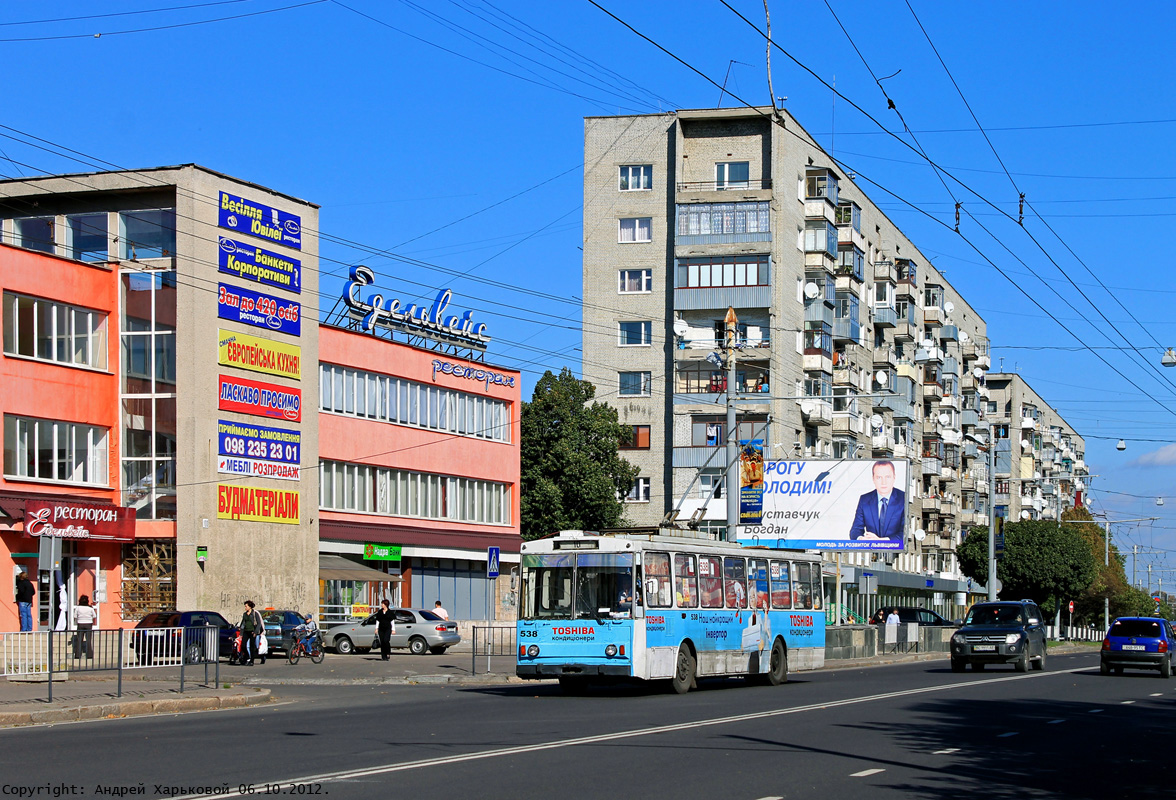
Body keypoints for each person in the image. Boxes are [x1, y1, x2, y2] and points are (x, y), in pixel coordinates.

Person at [849, 461, 906, 542]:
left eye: (888, 477)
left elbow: (905, 533)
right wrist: (862, 539)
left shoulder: (904, 498)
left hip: (896, 552)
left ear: (894, 477)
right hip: (872, 551)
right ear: (873, 479)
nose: (883, 482)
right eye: (879, 477)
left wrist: (881, 541)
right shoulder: (865, 500)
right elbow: (855, 530)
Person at [239, 600, 264, 666]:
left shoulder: (255, 614)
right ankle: (247, 655)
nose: (245, 607)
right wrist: (241, 632)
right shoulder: (245, 614)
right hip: (246, 631)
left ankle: (252, 661)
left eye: (246, 606)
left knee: (252, 647)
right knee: (243, 645)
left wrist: (255, 632)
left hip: (252, 632)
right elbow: (243, 624)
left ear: (250, 607)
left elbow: (259, 623)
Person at [72, 594, 97, 659]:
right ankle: (89, 655)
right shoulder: (90, 608)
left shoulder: (78, 608)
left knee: (79, 640)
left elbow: (75, 616)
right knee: (88, 640)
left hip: (80, 623)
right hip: (88, 624)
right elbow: (94, 616)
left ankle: (77, 655)